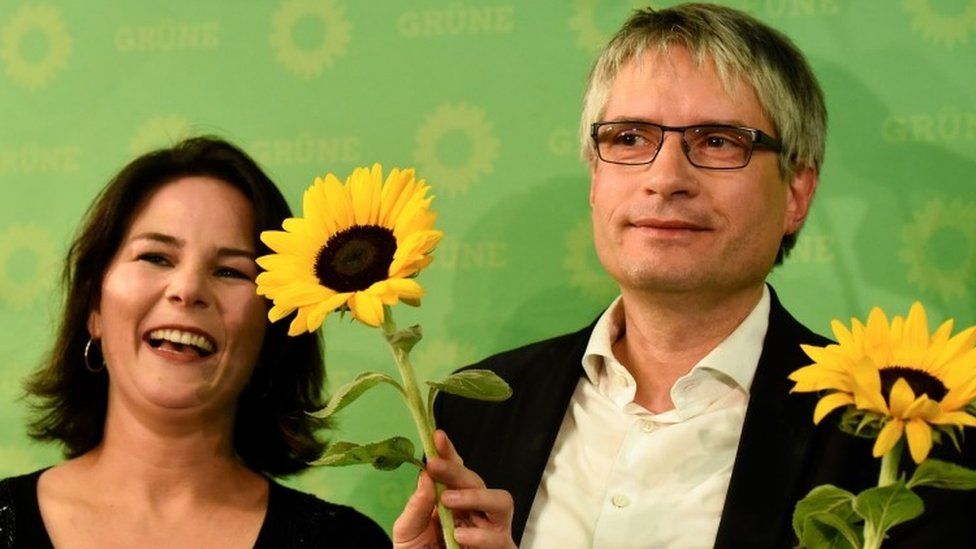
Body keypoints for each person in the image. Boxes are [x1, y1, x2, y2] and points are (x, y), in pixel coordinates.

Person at [426, 3, 976, 548]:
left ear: (797, 192)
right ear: (595, 179)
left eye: (717, 141)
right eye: (630, 138)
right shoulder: (477, 408)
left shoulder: (902, 439)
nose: (665, 178)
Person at [0, 137, 390, 548]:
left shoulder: (345, 543)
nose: (187, 290)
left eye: (230, 272)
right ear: (94, 306)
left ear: (272, 331)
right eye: (156, 257)